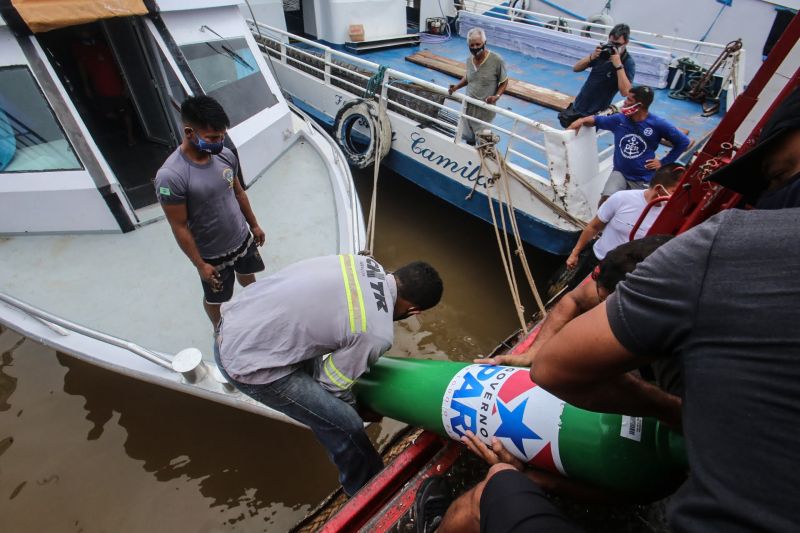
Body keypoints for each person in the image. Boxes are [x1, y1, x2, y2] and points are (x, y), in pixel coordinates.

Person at [437, 86, 800, 533]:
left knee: (483, 499)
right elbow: (577, 297)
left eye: (779, 179)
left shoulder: (718, 254)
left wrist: (518, 477)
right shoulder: (648, 247)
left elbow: (555, 370)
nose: (768, 199)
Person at [215, 255, 443, 497]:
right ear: (414, 311)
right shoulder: (378, 333)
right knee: (346, 423)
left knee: (326, 355)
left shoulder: (364, 263)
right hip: (247, 361)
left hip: (237, 319)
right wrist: (359, 409)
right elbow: (330, 386)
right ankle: (367, 489)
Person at [154, 96, 266, 328]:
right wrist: (200, 264)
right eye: (212, 138)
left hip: (241, 239)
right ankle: (219, 329)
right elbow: (179, 226)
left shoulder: (225, 154)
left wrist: (254, 225)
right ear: (189, 132)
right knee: (217, 299)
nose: (219, 142)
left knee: (249, 278)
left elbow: (239, 193)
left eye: (222, 136)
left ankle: (255, 310)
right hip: (211, 256)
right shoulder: (171, 176)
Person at [561, 163, 681, 286]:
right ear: (658, 189)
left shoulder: (670, 216)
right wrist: (575, 253)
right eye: (674, 192)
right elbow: (594, 226)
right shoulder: (622, 198)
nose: (677, 197)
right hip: (598, 260)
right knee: (576, 290)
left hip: (625, 274)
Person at [569, 85, 690, 205]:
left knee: (635, 206)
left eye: (629, 100)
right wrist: (581, 120)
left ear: (639, 105)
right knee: (606, 200)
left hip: (643, 178)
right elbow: (596, 120)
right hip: (620, 172)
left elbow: (683, 142)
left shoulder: (658, 124)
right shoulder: (619, 120)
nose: (625, 103)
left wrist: (663, 163)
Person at [557, 23, 635, 128]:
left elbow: (625, 92)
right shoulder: (603, 53)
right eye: (611, 42)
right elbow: (576, 68)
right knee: (568, 132)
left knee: (582, 140)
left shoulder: (627, 62)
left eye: (617, 44)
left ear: (626, 43)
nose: (613, 47)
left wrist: (618, 66)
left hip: (596, 113)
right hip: (579, 105)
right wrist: (592, 57)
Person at [448, 27, 508, 145]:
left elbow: (504, 81)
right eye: (472, 45)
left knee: (483, 144)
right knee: (469, 141)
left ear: (484, 43)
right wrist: (456, 87)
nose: (475, 47)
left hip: (484, 113)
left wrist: (496, 96)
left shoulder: (496, 60)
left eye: (478, 44)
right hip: (468, 109)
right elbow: (468, 77)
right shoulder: (469, 60)